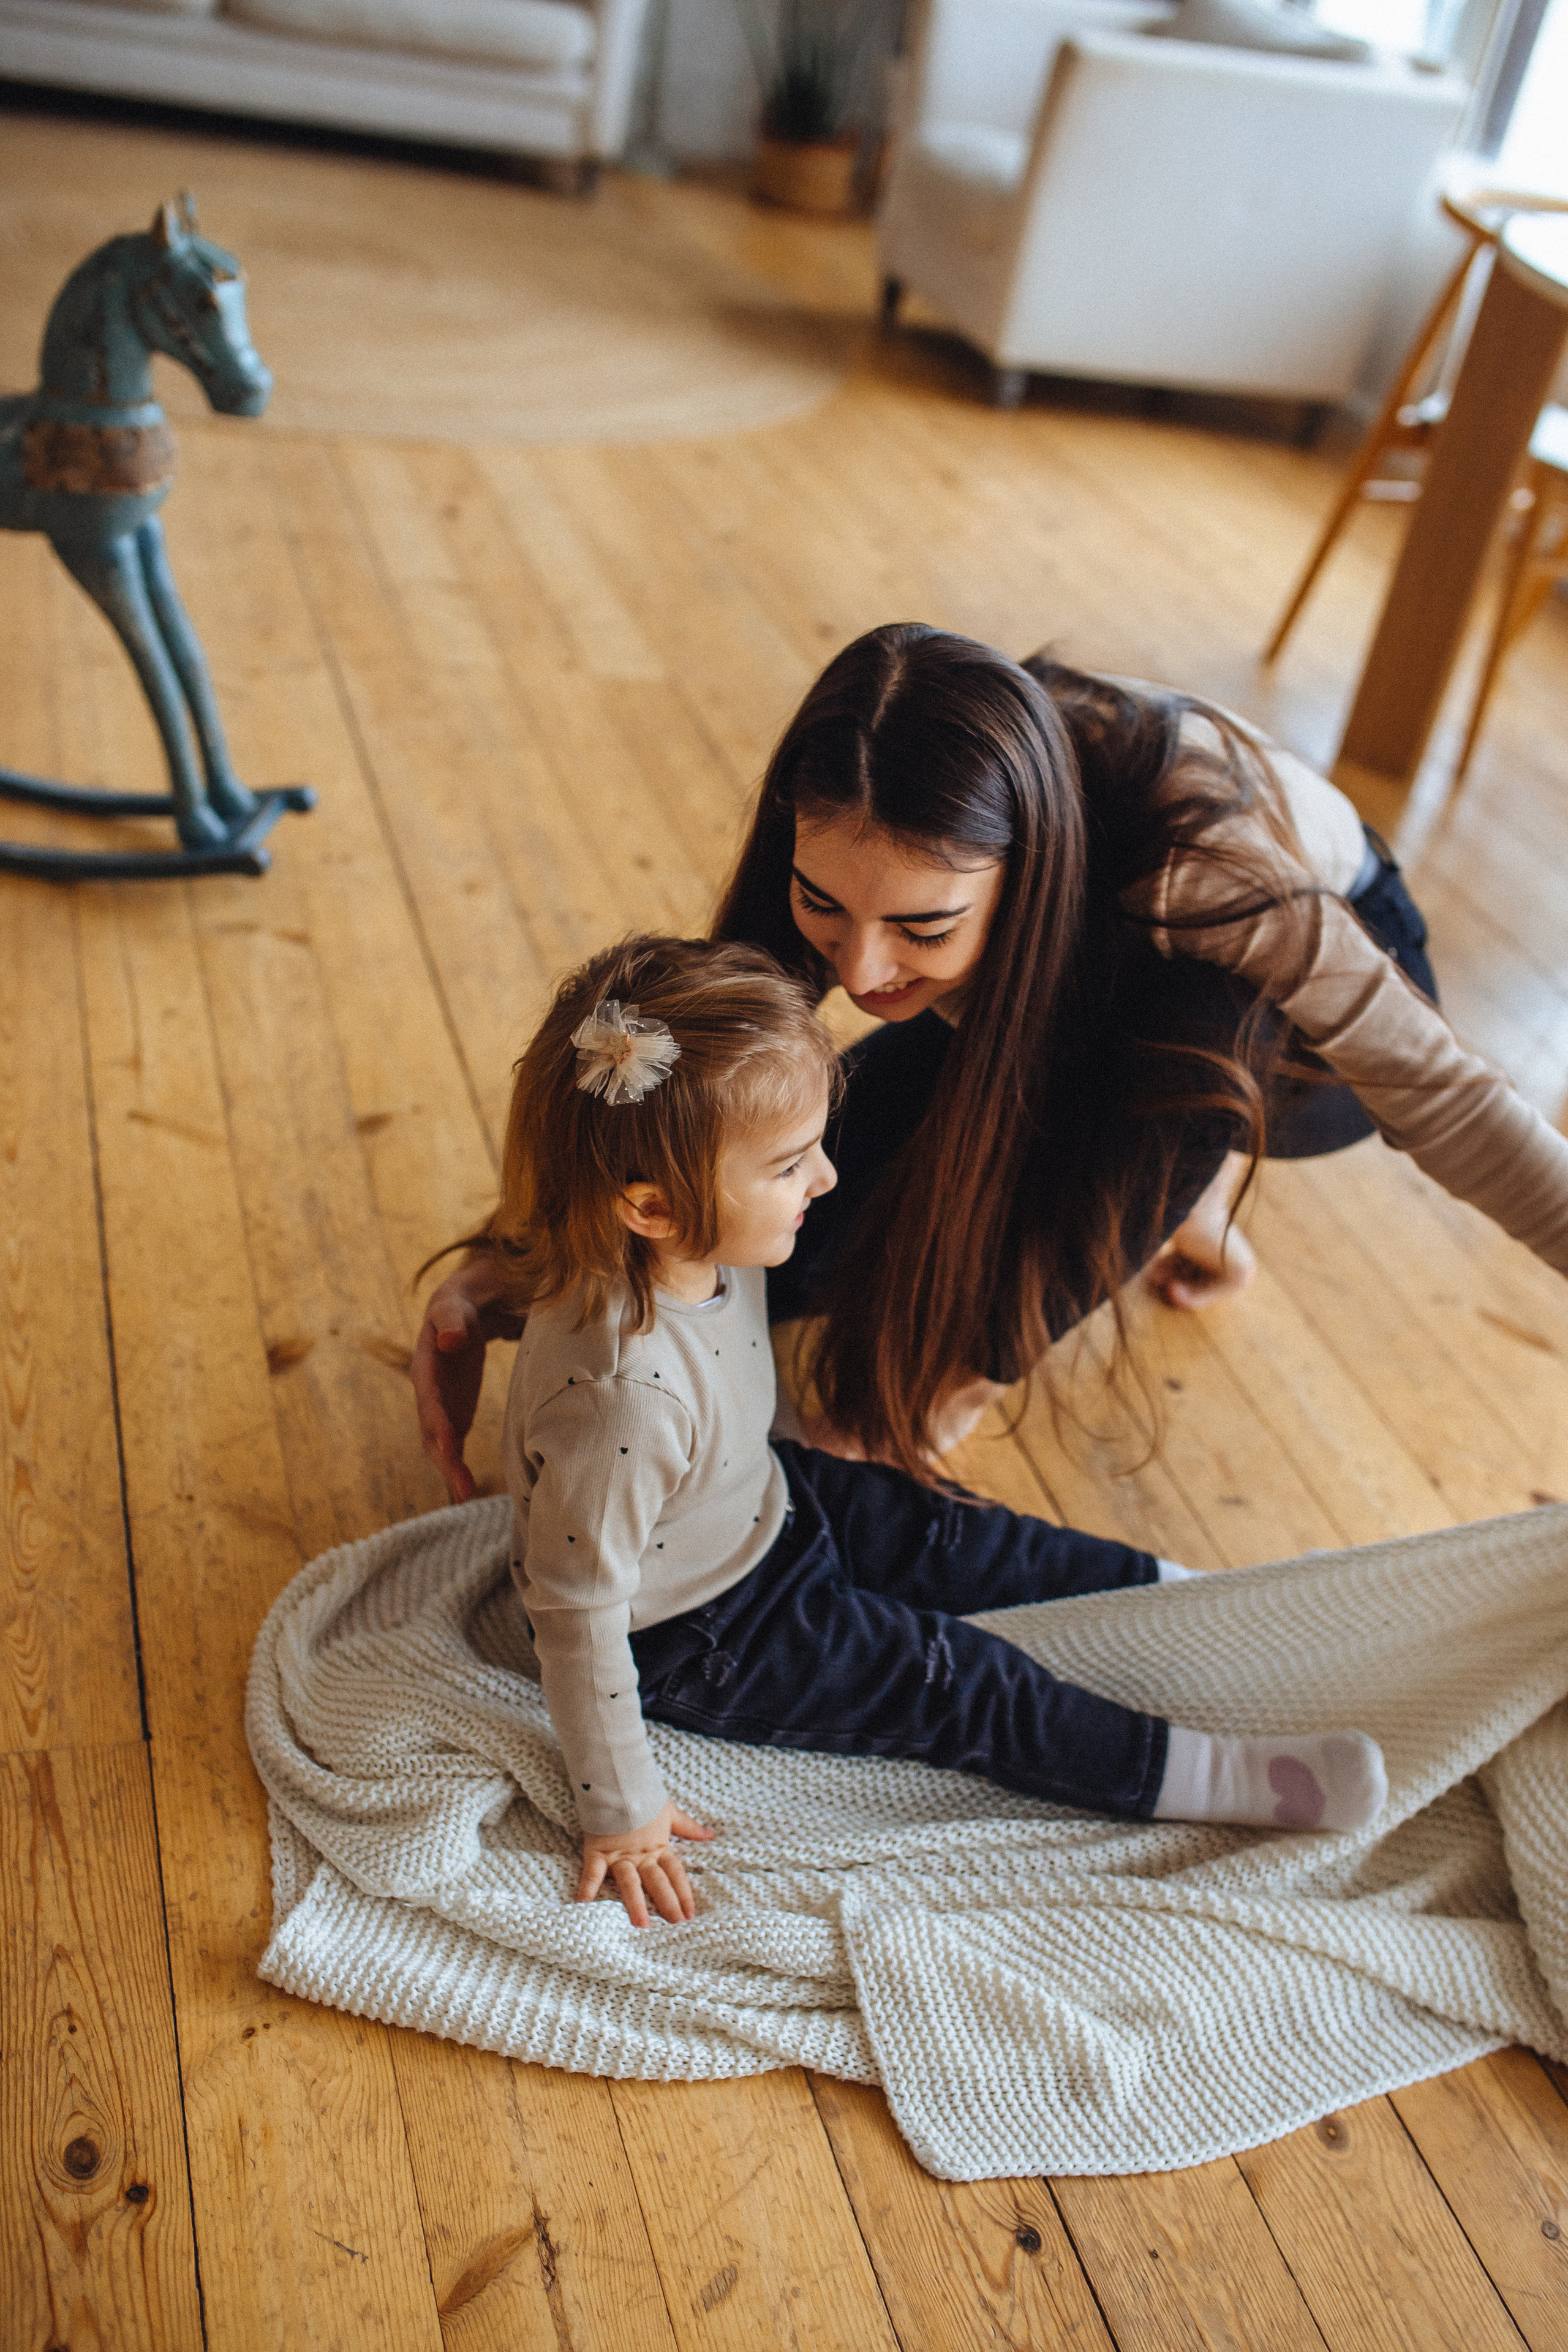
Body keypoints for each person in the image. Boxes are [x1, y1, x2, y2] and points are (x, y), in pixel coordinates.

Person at [417, 626, 1568, 1487]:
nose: (863, 979)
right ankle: (1186, 1194)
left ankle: (1134, 1223)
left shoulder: (1206, 876)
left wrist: (901, 1409)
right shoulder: (880, 804)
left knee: (1145, 1083)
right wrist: (520, 1266)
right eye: (824, 905)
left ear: (1030, 873)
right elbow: (702, 1106)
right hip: (1047, 995)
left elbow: (1455, 1104)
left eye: (922, 927)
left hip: (1300, 1049)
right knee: (796, 1200)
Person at [493, 934, 1386, 1926]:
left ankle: (1221, 1611)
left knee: (965, 1535)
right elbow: (576, 1614)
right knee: (956, 1681)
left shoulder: (698, 1239)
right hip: (702, 1629)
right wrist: (620, 1810)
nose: (826, 1179)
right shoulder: (622, 1400)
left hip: (761, 1500)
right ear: (653, 1208)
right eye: (793, 1164)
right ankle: (1230, 1780)